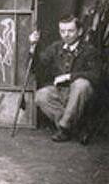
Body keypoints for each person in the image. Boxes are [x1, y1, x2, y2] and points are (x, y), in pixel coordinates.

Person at [30, 15, 101, 143]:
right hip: (61, 92)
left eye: (70, 31)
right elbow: (38, 68)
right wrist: (33, 47)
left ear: (79, 31)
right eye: (62, 31)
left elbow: (97, 75)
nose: (66, 35)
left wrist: (69, 76)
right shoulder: (56, 47)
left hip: (81, 94)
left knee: (81, 84)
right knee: (41, 95)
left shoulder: (89, 50)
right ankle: (76, 128)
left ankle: (64, 128)